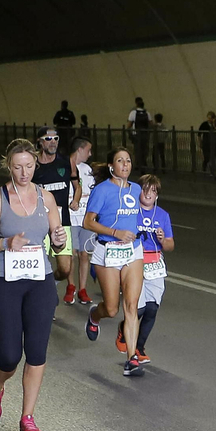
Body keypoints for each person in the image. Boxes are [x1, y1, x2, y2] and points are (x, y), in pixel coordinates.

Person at [0, 140, 68, 431]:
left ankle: (27, 417)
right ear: (9, 166)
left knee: (37, 352)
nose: (24, 172)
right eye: (17, 167)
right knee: (10, 355)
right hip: (5, 282)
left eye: (29, 166)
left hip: (40, 280)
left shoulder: (46, 198)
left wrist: (61, 240)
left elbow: (57, 239)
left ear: (35, 165)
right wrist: (4, 243)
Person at [82, 147, 143, 373]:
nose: (125, 165)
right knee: (111, 309)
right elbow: (88, 222)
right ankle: (94, 316)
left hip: (133, 251)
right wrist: (115, 232)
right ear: (111, 166)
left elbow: (146, 213)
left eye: (128, 160)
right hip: (107, 251)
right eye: (120, 161)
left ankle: (132, 358)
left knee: (131, 306)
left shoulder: (136, 189)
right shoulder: (102, 190)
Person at [115, 174, 174, 374]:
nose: (149, 194)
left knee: (152, 309)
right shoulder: (131, 213)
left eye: (153, 191)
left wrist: (163, 239)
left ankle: (139, 347)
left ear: (157, 195)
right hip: (134, 261)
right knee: (136, 309)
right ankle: (125, 329)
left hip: (155, 262)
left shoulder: (163, 215)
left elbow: (170, 245)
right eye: (146, 190)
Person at [31, 127, 75, 285]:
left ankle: (51, 283)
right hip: (39, 222)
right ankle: (43, 292)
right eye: (48, 139)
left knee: (65, 269)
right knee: (38, 265)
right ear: (40, 141)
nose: (53, 142)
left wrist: (76, 199)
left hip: (62, 223)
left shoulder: (65, 162)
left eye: (56, 138)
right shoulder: (32, 166)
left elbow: (76, 182)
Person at [66, 136, 96, 305]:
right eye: (88, 150)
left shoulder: (87, 169)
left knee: (84, 254)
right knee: (71, 255)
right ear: (79, 150)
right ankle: (71, 286)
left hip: (85, 219)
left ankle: (82, 289)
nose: (90, 154)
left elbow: (91, 193)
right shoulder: (65, 167)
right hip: (70, 219)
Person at [127, 97, 151, 171]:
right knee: (144, 150)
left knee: (137, 150)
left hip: (136, 134)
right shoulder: (147, 113)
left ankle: (138, 164)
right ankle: (144, 163)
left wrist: (130, 133)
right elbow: (151, 123)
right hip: (145, 134)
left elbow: (129, 125)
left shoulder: (133, 113)